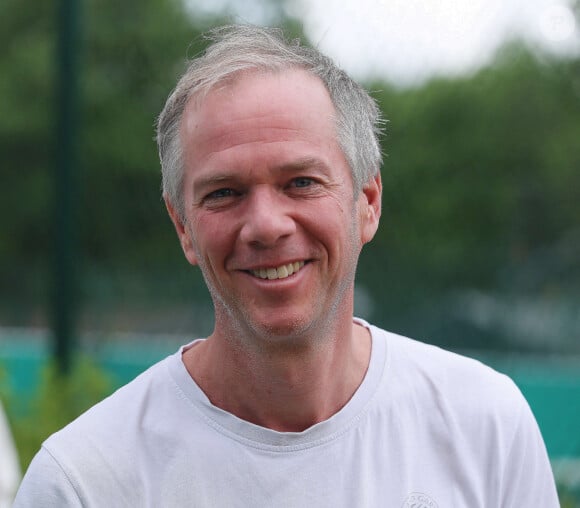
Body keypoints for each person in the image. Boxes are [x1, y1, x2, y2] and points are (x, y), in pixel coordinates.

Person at [14, 25, 559, 507]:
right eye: (224, 192)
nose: (266, 225)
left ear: (367, 202)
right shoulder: (83, 483)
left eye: (301, 182)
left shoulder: (485, 426)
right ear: (182, 225)